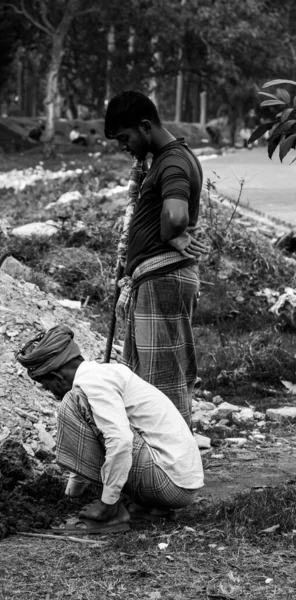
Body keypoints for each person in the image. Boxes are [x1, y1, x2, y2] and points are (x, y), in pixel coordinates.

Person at [17, 325, 204, 533]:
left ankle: (112, 513)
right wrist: (72, 493)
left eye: (47, 386)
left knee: (70, 403)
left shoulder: (91, 384)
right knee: (90, 414)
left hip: (169, 481)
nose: (51, 394)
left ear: (57, 377)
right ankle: (150, 507)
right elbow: (96, 437)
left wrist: (107, 502)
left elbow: (121, 440)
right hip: (180, 482)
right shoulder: (104, 373)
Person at [104, 91, 208, 427]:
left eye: (125, 137)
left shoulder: (173, 161)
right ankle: (158, 462)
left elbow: (176, 216)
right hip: (156, 281)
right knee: (147, 382)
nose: (125, 146)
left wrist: (171, 234)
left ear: (145, 126)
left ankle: (173, 467)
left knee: (161, 386)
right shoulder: (168, 159)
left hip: (163, 280)